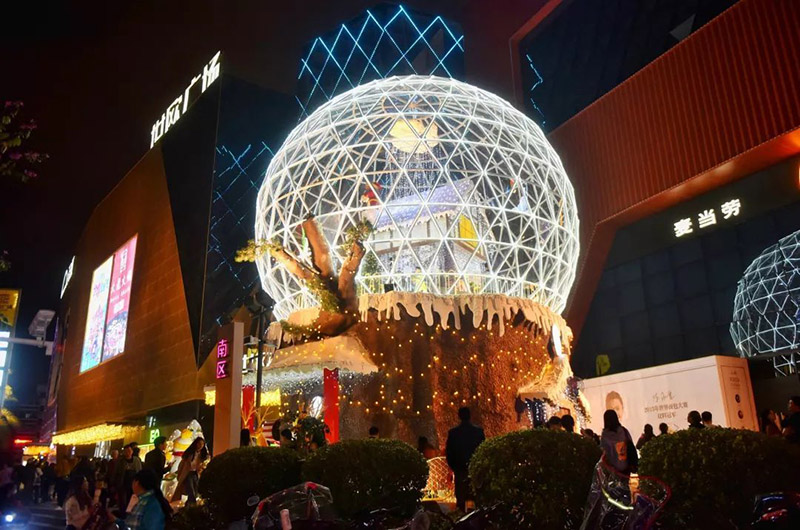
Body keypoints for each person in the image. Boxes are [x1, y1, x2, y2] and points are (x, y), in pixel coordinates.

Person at [445, 407, 485, 511]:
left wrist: (454, 467)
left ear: (459, 416)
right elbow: (482, 450)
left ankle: (461, 517)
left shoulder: (453, 433)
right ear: (470, 416)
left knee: (461, 499)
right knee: (475, 498)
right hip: (474, 469)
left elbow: (449, 452)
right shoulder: (478, 432)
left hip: (460, 469)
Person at [171, 437, 207, 505]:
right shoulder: (189, 453)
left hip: (195, 474)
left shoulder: (202, 454)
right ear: (196, 444)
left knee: (195, 491)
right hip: (188, 474)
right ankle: (192, 506)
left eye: (202, 444)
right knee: (191, 491)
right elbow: (182, 465)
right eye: (199, 443)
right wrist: (179, 473)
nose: (201, 446)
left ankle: (189, 505)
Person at [600, 410, 637, 474]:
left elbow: (603, 451)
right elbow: (630, 445)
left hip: (612, 470)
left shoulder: (605, 435)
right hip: (626, 467)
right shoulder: (624, 431)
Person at [114, 445, 142, 513]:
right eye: (126, 451)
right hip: (123, 483)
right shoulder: (120, 461)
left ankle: (131, 512)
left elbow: (139, 471)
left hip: (134, 483)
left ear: (132, 451)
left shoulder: (136, 460)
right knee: (123, 500)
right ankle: (123, 513)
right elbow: (116, 472)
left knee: (132, 499)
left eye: (129, 451)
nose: (128, 452)